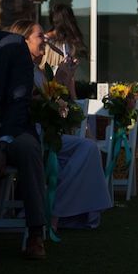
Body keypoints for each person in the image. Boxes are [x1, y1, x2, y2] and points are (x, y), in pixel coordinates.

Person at [8, 19, 111, 231]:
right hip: (29, 136)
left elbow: (56, 102)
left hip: (46, 134)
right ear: (23, 41)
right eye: (39, 36)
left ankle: (61, 211)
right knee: (86, 148)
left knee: (87, 148)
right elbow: (32, 106)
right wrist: (60, 81)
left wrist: (65, 78)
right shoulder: (19, 71)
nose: (45, 40)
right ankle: (54, 211)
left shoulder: (40, 71)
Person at [0, 0, 47, 259]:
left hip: (8, 128)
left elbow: (18, 102)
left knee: (28, 148)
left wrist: (1, 143)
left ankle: (35, 233)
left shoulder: (11, 45)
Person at [41, 3, 87, 99]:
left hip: (60, 92)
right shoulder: (45, 42)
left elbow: (70, 77)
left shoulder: (66, 44)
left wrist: (75, 100)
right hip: (47, 91)